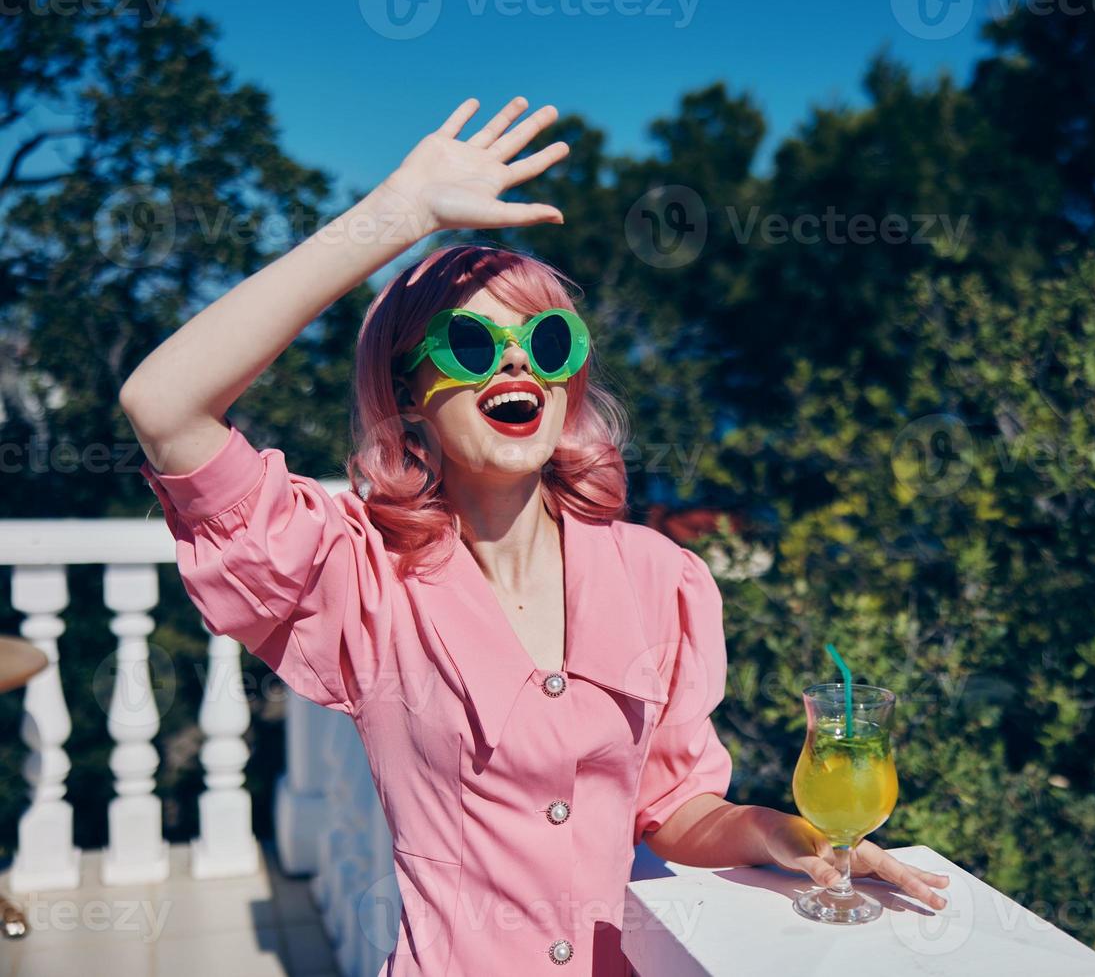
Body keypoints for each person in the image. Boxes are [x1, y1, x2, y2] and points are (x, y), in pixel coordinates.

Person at [118, 96, 948, 976]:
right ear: (407, 400)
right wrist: (399, 216)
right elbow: (162, 405)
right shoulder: (358, 576)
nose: (517, 363)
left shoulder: (659, 578)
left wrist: (780, 834)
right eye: (473, 344)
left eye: (547, 340)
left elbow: (671, 810)